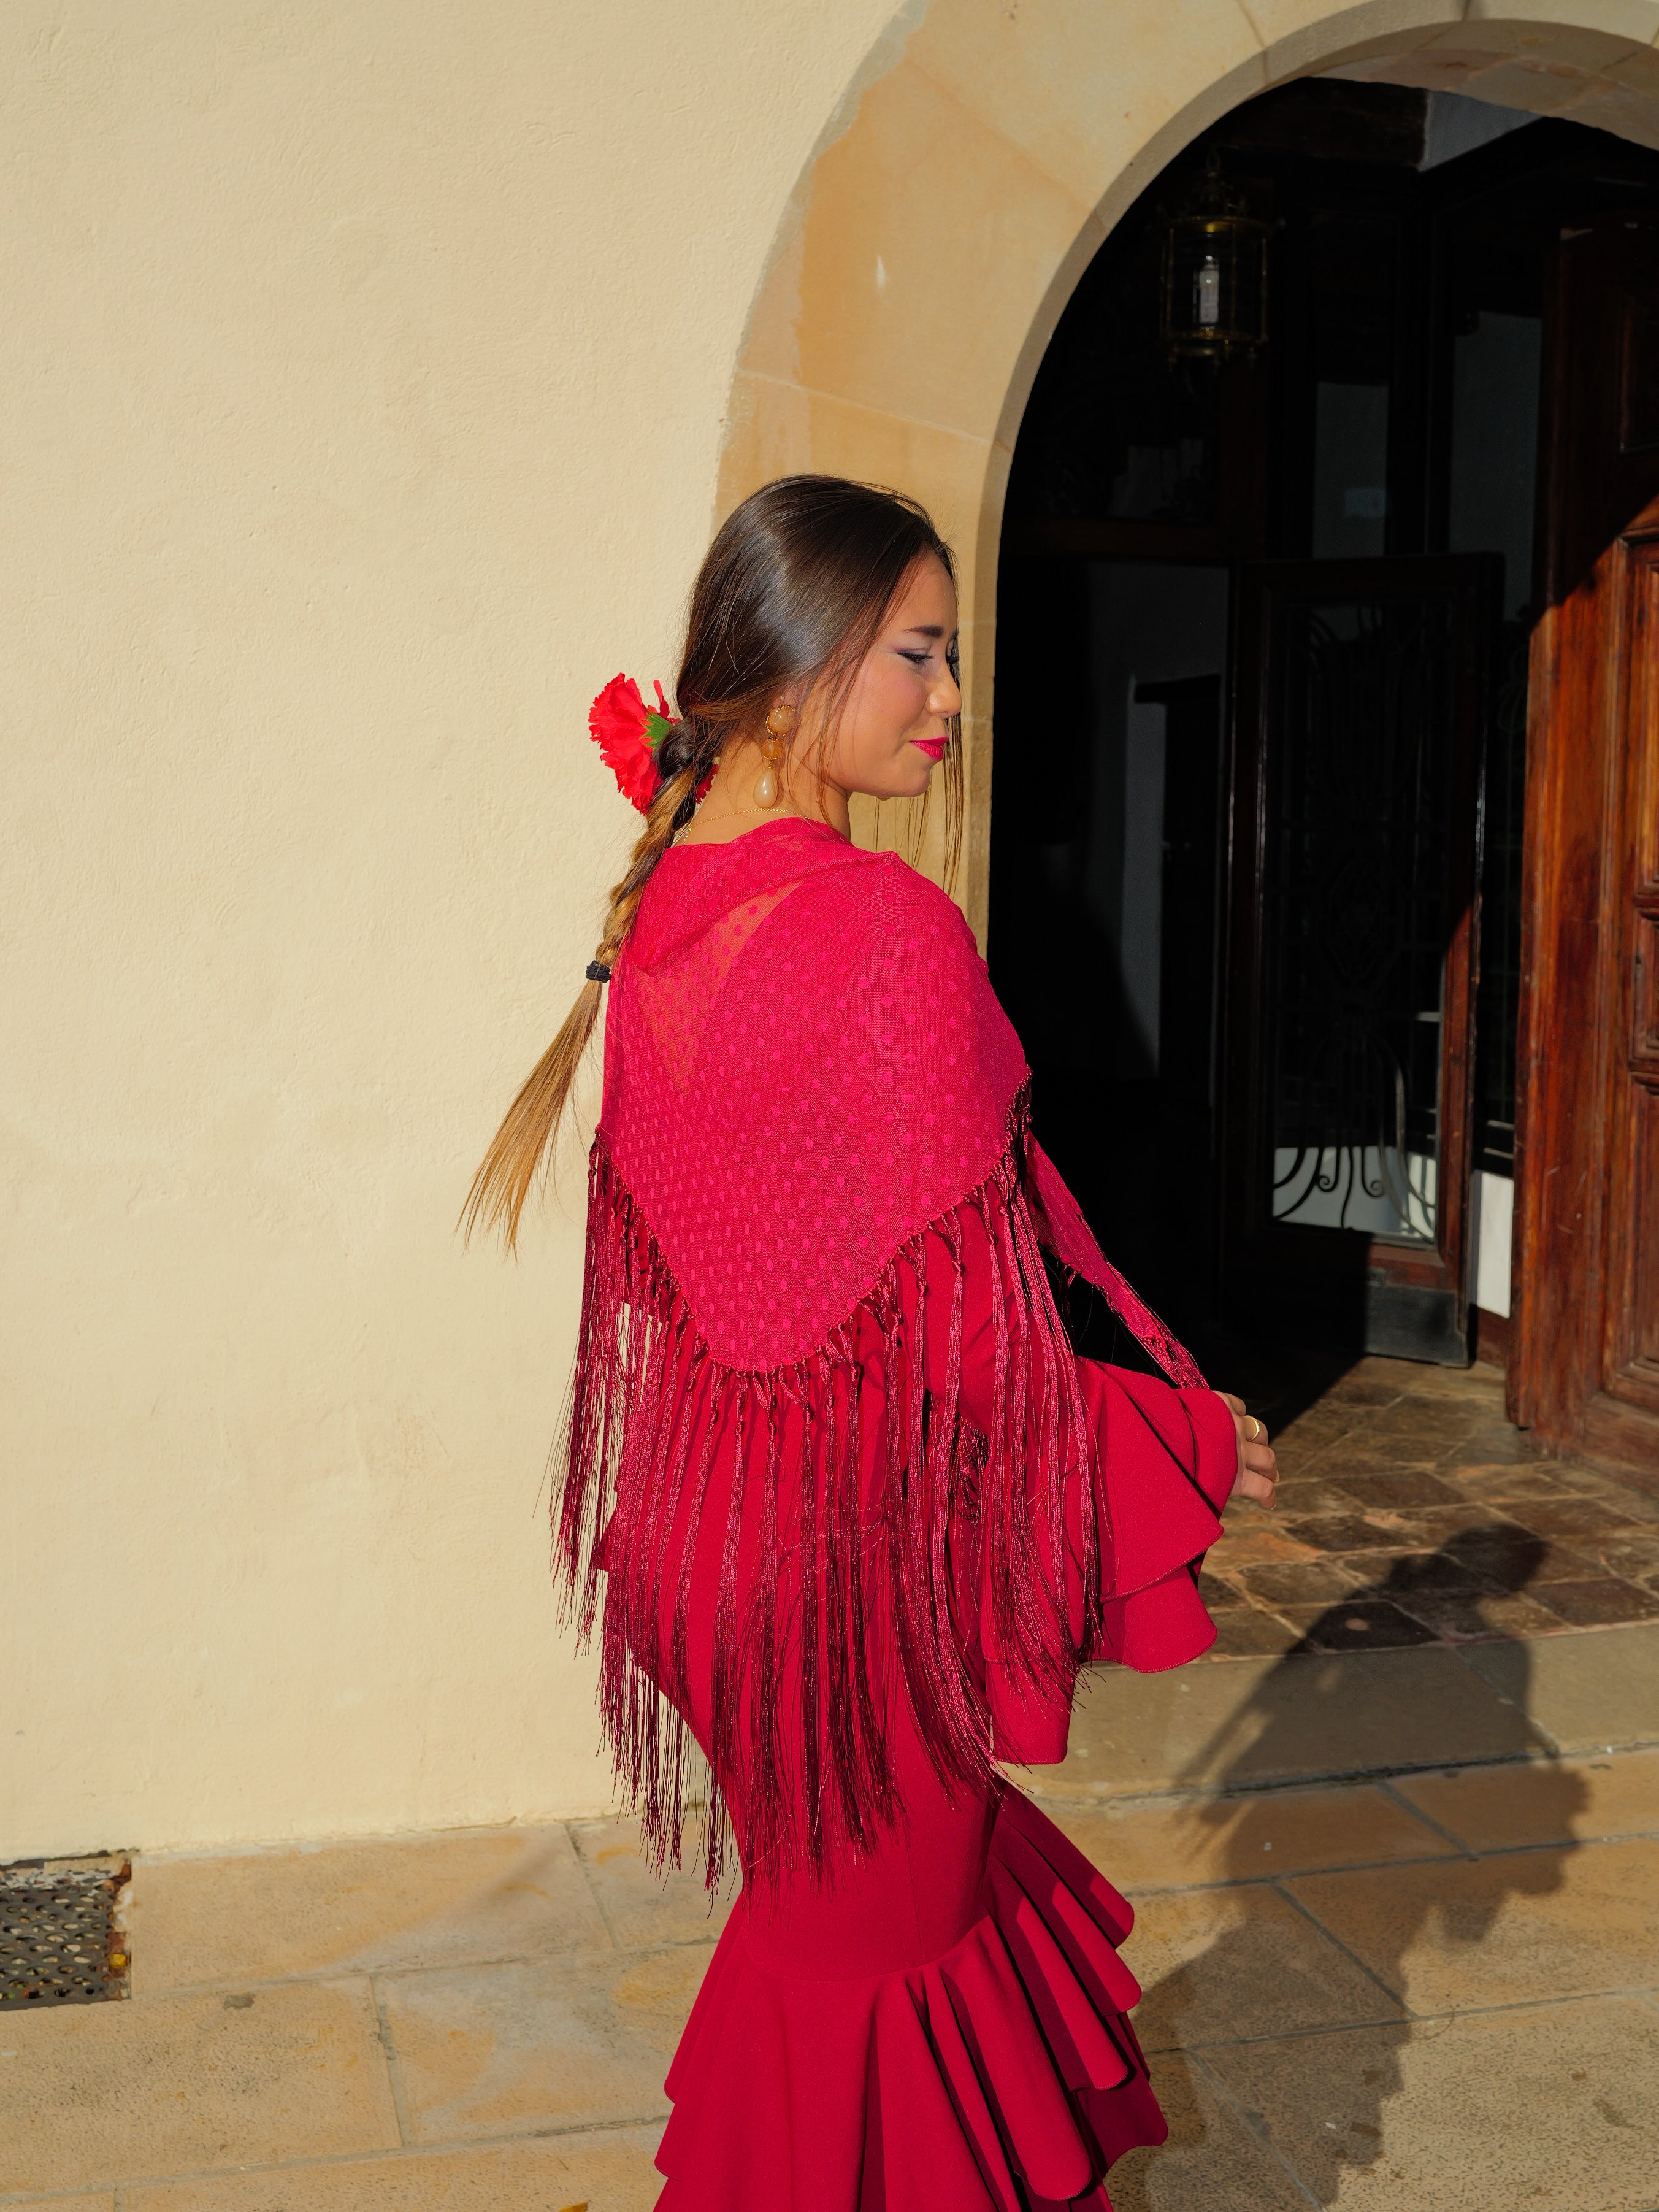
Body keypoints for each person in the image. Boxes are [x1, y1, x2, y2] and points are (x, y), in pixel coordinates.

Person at [467, 475, 1278, 2210]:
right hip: (838, 1593)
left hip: (700, 1562)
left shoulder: (658, 924)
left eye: (952, 658)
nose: (949, 702)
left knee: (872, 1942)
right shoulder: (875, 925)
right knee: (879, 2012)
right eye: (918, 653)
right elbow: (971, 1343)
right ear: (800, 652)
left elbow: (694, 1293)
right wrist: (1180, 1445)